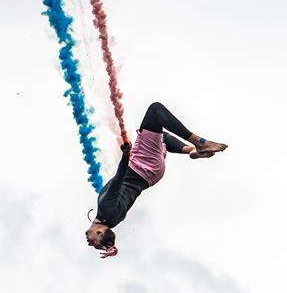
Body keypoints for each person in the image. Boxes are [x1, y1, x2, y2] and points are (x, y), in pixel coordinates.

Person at [86, 102, 227, 258]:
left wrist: (111, 245)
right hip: (143, 165)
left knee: (161, 137)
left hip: (150, 175)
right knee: (155, 111)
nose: (89, 243)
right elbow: (119, 179)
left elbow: (119, 186)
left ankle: (191, 151)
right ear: (100, 231)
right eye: (94, 243)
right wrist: (126, 155)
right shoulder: (106, 208)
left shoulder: (112, 220)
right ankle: (200, 143)